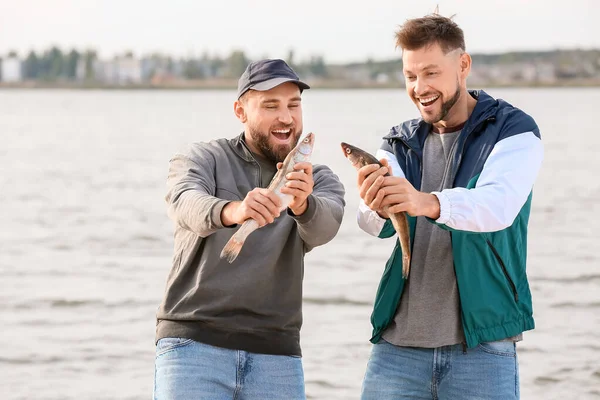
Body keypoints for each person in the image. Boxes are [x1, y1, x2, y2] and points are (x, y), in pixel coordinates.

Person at [355, 14, 543, 399]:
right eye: (410, 76)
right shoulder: (398, 142)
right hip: (397, 348)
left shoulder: (513, 131)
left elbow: (497, 206)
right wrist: (374, 205)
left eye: (430, 73)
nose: (419, 88)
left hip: (483, 349)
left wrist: (427, 202)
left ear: (463, 65)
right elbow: (374, 225)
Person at [153, 59, 345, 400]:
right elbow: (184, 201)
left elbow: (325, 227)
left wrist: (303, 205)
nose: (286, 117)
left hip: (278, 353)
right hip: (193, 344)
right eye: (270, 105)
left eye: (293, 105)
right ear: (240, 111)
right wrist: (233, 210)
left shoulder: (317, 179)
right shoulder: (203, 158)